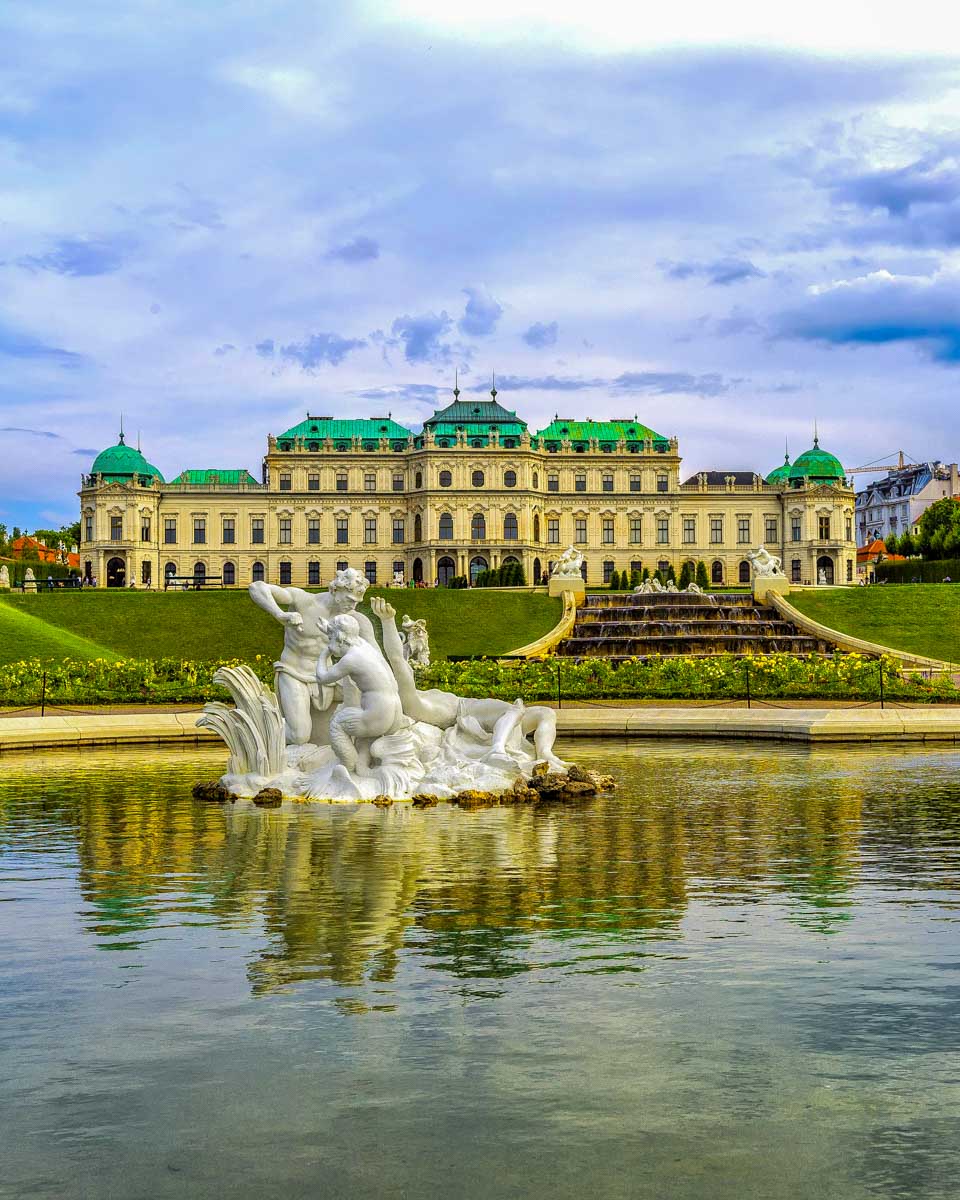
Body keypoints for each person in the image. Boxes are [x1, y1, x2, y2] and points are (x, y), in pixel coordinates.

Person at [369, 596, 569, 770]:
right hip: (465, 710)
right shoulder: (412, 702)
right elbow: (397, 660)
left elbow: (396, 660)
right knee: (515, 710)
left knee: (546, 712)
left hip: (481, 713)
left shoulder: (411, 696)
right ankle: (497, 751)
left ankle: (544, 753)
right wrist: (387, 622)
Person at [248, 567, 377, 745]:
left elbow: (376, 658)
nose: (353, 606)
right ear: (335, 590)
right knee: (299, 736)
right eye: (349, 600)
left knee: (368, 690)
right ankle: (257, 735)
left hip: (327, 677)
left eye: (356, 602)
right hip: (295, 673)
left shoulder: (352, 619)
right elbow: (257, 587)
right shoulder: (305, 601)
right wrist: (279, 614)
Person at [315, 614, 403, 772]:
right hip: (395, 711)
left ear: (340, 638)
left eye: (331, 638)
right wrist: (329, 630)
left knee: (337, 723)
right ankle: (363, 767)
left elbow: (322, 678)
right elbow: (341, 637)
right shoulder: (363, 645)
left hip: (379, 714)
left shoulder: (350, 660)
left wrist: (324, 654)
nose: (330, 642)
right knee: (364, 736)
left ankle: (348, 766)